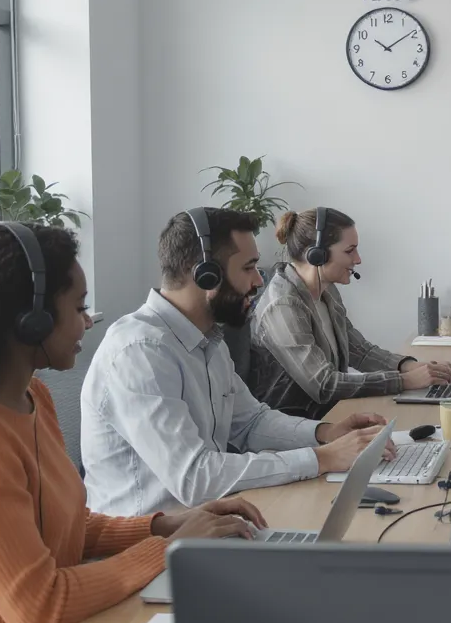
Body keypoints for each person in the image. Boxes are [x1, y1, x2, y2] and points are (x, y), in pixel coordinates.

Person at [0, 222, 266, 623]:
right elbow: (42, 609)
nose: (88, 321)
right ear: (31, 319)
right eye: (79, 307)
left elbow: (61, 524)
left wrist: (164, 526)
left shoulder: (33, 398)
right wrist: (170, 549)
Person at [81, 208, 394, 517]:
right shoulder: (140, 352)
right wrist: (321, 459)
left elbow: (252, 422)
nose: (259, 280)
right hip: (145, 551)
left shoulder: (208, 339)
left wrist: (326, 432)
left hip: (202, 527)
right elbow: (196, 478)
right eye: (249, 268)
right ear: (206, 275)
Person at [244, 207, 451, 419]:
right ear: (316, 255)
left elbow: (359, 351)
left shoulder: (327, 291)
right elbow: (324, 385)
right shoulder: (283, 306)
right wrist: (405, 380)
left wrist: (409, 366)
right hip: (297, 426)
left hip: (328, 413)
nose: (358, 259)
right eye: (349, 251)